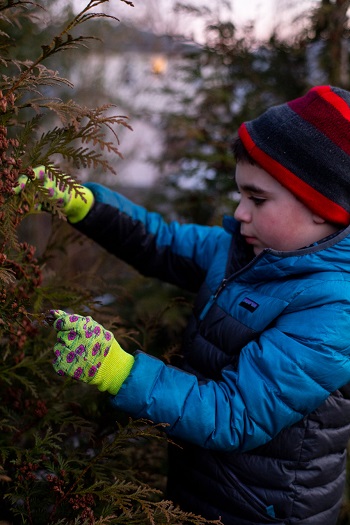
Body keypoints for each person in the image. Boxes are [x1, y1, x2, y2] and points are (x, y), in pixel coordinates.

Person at [16, 85, 350, 525]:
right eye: (241, 194)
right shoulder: (243, 252)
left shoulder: (332, 312)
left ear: (322, 208)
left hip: (263, 512)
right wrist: (83, 204)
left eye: (258, 198)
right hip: (204, 486)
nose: (240, 212)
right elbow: (162, 243)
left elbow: (237, 413)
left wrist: (116, 369)